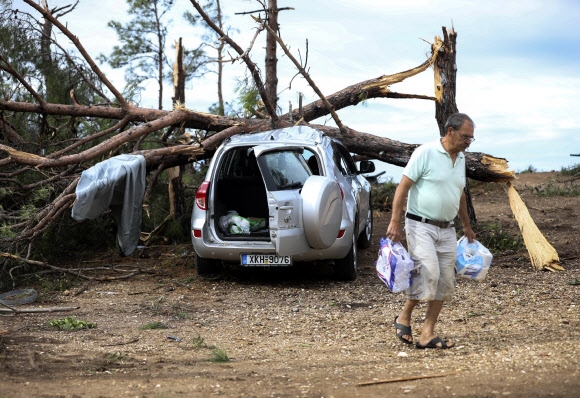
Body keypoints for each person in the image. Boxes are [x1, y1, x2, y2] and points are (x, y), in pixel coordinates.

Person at [386, 112, 477, 349]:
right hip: (420, 224)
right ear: (450, 131)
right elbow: (402, 188)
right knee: (429, 274)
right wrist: (395, 222)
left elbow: (460, 195)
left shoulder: (461, 159)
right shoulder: (425, 153)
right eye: (466, 137)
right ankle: (403, 316)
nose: (469, 142)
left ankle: (427, 333)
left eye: (471, 139)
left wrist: (466, 226)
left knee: (445, 283)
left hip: (447, 228)